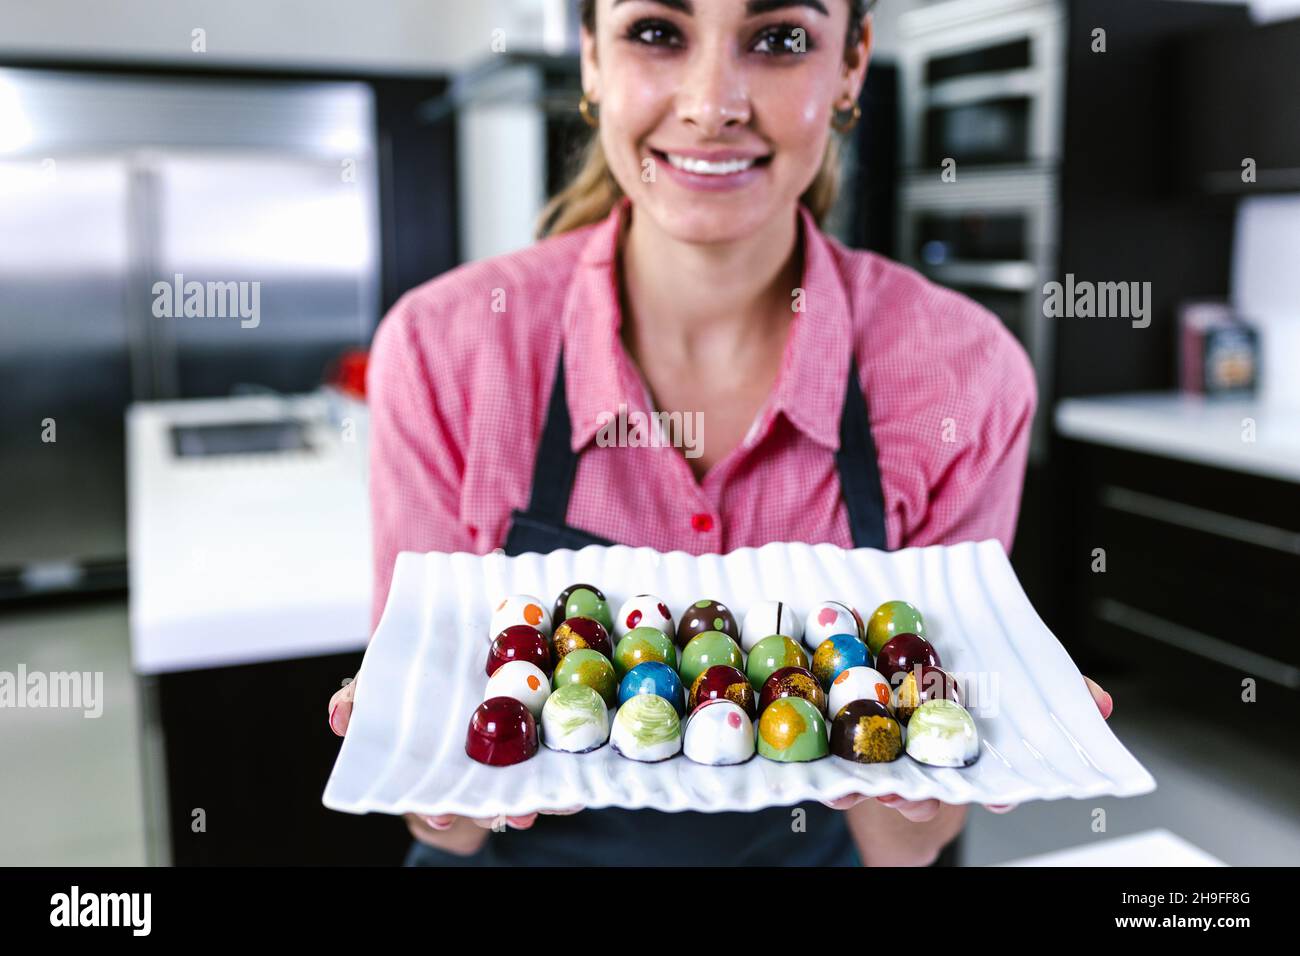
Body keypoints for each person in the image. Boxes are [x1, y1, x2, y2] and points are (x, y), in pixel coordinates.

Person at [328, 0, 1113, 866]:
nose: (713, 103)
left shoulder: (962, 371)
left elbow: (905, 846)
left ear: (851, 65)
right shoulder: (447, 349)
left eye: (779, 39)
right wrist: (414, 745)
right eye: (658, 32)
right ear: (591, 58)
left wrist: (958, 744)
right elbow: (450, 816)